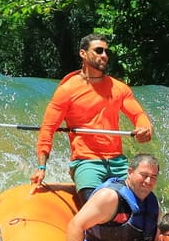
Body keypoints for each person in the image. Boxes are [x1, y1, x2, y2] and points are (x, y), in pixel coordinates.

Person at [32, 33, 154, 205]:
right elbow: (48, 129)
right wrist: (41, 167)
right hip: (86, 162)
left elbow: (138, 115)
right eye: (98, 51)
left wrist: (144, 129)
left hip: (118, 162)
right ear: (83, 53)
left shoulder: (119, 88)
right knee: (95, 206)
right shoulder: (67, 90)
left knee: (143, 205)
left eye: (106, 51)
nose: (104, 55)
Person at [62, 153, 160, 241]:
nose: (148, 181)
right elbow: (76, 225)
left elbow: (156, 240)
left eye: (153, 177)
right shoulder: (109, 197)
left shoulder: (153, 203)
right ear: (130, 172)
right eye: (144, 175)